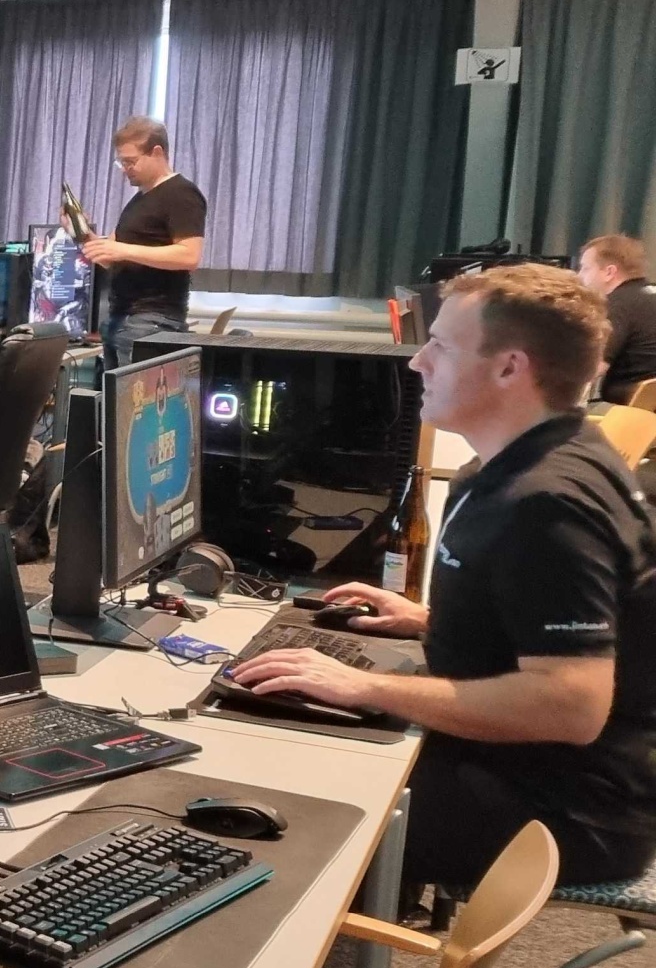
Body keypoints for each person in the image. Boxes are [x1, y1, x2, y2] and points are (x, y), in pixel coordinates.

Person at [231, 264, 656, 897]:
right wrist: (430, 621)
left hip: (563, 811)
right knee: (288, 738)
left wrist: (366, 686)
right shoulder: (534, 458)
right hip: (534, 772)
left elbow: (573, 705)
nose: (417, 362)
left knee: (276, 785)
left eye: (442, 346)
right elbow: (558, 620)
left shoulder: (548, 502)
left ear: (510, 367)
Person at [82, 117, 207, 372]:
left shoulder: (181, 193)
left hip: (151, 321)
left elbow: (189, 256)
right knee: (112, 397)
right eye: (121, 162)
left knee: (133, 398)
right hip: (121, 319)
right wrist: (79, 232)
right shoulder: (139, 200)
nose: (125, 169)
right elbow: (108, 257)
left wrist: (122, 249)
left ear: (157, 152)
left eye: (131, 161)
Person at [579, 234, 656, 405]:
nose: (579, 276)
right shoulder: (651, 294)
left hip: (628, 412)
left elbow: (592, 368)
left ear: (609, 272)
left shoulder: (616, 305)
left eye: (585, 268)